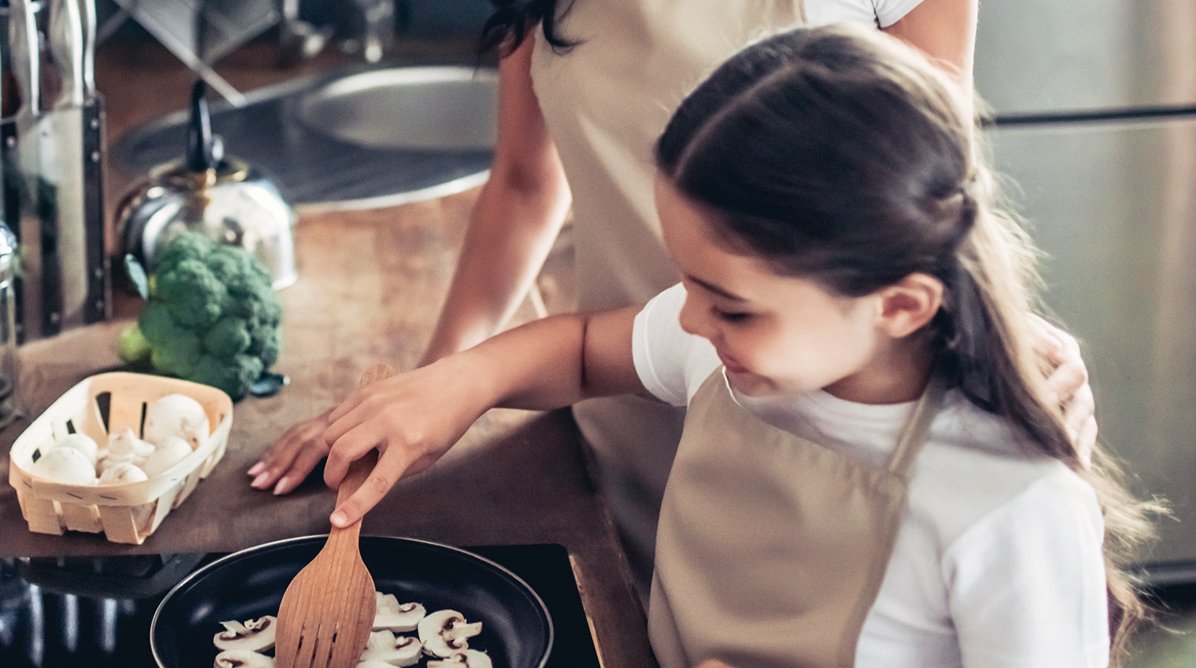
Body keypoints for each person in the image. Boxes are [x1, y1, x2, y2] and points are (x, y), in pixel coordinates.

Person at [309, 26, 1154, 668]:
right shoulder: (725, 347)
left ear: (899, 305)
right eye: (690, 285)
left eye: (731, 305)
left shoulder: (1014, 508)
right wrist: (456, 384)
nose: (686, 318)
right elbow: (577, 348)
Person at [246, 0, 1100, 587]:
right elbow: (522, 184)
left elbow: (932, 193)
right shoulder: (677, 330)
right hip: (625, 406)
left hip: (838, 435)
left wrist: (1009, 349)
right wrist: (434, 390)